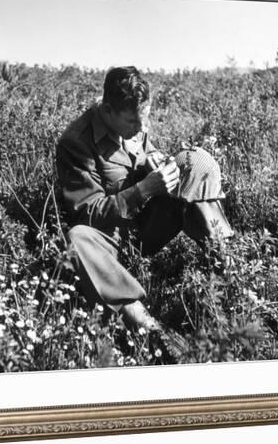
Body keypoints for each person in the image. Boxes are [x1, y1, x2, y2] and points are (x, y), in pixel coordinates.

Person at [55, 66, 232, 333]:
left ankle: (229, 268)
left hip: (147, 224)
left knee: (196, 161)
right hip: (110, 243)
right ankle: (149, 329)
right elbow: (88, 214)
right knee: (77, 239)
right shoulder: (75, 143)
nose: (142, 128)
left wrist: (157, 164)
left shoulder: (135, 122)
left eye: (145, 119)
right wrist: (142, 190)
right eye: (132, 122)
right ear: (107, 111)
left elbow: (144, 152)